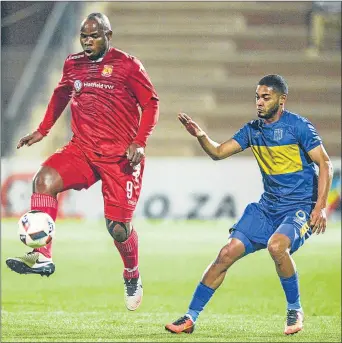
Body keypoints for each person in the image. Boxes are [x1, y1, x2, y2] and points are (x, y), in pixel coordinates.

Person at [6, 13, 159, 312]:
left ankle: (131, 273)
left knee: (117, 228)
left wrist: (139, 142)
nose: (88, 42)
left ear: (108, 35)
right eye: (84, 36)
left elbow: (151, 103)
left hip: (120, 158)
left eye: (94, 36)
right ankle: (43, 255)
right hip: (83, 150)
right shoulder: (73, 63)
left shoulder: (128, 65)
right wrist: (43, 129)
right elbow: (61, 92)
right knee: (44, 180)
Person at [165, 75, 333, 335]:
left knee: (277, 246)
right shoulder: (252, 130)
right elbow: (219, 152)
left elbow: (325, 163)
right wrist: (200, 135)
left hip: (299, 206)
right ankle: (190, 317)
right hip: (267, 208)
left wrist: (320, 206)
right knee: (226, 253)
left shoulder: (298, 126)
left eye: (266, 97)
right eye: (257, 97)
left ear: (282, 100)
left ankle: (294, 309)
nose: (259, 102)